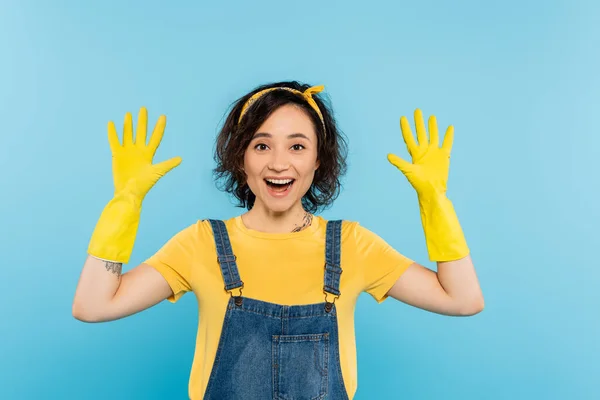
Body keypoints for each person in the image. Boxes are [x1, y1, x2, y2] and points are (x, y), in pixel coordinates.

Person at [72, 81, 484, 399]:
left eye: (297, 146)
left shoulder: (353, 245)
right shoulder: (200, 243)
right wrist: (123, 207)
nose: (279, 163)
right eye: (262, 145)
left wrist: (436, 204)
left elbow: (463, 299)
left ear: (318, 159)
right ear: (241, 158)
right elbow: (92, 306)